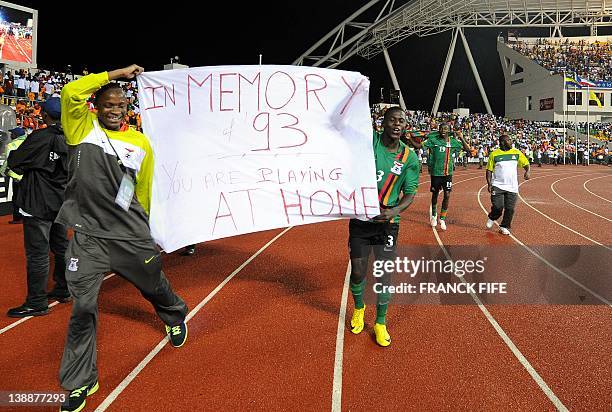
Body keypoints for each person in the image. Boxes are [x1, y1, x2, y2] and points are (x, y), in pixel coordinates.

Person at [57, 65, 188, 412]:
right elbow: (71, 93)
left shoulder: (139, 142)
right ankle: (80, 381)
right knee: (82, 308)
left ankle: (174, 313)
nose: (116, 110)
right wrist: (116, 74)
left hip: (129, 235)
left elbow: (141, 189)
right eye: (109, 104)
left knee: (153, 285)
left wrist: (147, 229)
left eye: (122, 105)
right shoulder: (81, 129)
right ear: (95, 107)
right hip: (87, 238)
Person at [348, 106, 420, 347]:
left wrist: (394, 210)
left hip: (388, 224)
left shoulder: (409, 158)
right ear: (382, 123)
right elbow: (351, 125)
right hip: (360, 219)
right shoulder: (371, 141)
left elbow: (409, 193)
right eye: (392, 120)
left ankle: (380, 322)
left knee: (383, 274)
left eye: (401, 121)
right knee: (358, 271)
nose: (397, 124)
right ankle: (359, 308)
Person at [6, 97, 70, 318]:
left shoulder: (39, 137)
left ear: (44, 115)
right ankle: (64, 289)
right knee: (61, 248)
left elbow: (14, 162)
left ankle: (36, 302)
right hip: (61, 203)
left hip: (37, 203)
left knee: (37, 254)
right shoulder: (71, 137)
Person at [423, 122, 471, 231]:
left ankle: (442, 218)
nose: (443, 130)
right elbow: (419, 146)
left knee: (447, 194)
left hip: (448, 174)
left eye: (445, 129)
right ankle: (434, 215)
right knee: (435, 194)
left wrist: (461, 137)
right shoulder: (433, 140)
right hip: (435, 173)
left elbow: (467, 150)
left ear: (449, 131)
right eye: (441, 128)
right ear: (439, 130)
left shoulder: (453, 142)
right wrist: (410, 139)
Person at [486, 134, 531, 235]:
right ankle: (492, 217)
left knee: (510, 209)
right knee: (498, 207)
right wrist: (489, 184)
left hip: (512, 187)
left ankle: (504, 226)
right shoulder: (494, 154)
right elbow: (489, 170)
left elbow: (526, 163)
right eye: (509, 140)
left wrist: (527, 171)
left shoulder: (516, 152)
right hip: (497, 185)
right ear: (502, 142)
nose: (511, 142)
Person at [0, 127, 27, 224]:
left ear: (15, 135)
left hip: (17, 175)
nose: (10, 135)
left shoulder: (11, 145)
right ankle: (26, 216)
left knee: (16, 197)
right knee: (26, 196)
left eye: (12, 134)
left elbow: (8, 161)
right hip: (28, 175)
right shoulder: (29, 143)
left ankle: (17, 218)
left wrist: (2, 171)